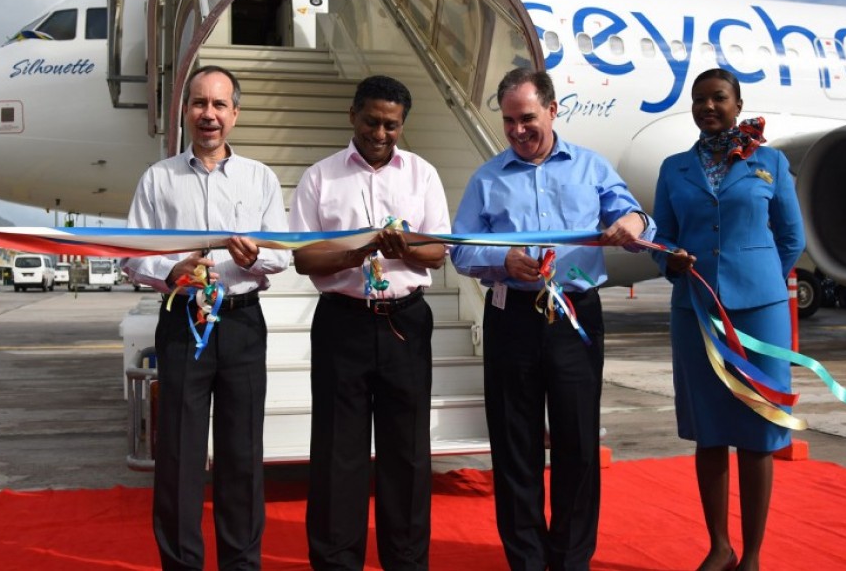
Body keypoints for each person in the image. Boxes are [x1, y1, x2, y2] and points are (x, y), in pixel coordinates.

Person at [451, 68, 653, 571]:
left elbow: (632, 215)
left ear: (553, 110)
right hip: (512, 318)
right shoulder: (488, 178)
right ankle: (526, 560)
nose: (518, 130)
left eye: (527, 118)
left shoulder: (591, 167)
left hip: (574, 316)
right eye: (509, 121)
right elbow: (461, 249)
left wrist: (632, 222)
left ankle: (570, 559)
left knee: (577, 443)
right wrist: (502, 261)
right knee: (514, 444)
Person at [120, 64, 290, 570]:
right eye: (199, 104)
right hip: (181, 322)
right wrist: (171, 269)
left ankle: (241, 563)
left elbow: (281, 253)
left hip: (239, 324)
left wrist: (249, 258)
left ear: (234, 114)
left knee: (241, 456)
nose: (208, 115)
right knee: (177, 457)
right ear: (185, 112)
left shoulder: (260, 178)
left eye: (219, 105)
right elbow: (131, 255)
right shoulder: (159, 178)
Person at [288, 75, 449, 570]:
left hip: (405, 322)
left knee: (408, 453)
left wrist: (405, 249)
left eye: (392, 125)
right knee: (339, 454)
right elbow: (304, 258)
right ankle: (337, 562)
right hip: (343, 323)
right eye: (372, 121)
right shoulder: (320, 177)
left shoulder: (422, 174)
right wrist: (360, 252)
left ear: (403, 124)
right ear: (352, 115)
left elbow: (439, 250)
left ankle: (406, 561)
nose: (381, 133)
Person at [650, 68, 805, 571]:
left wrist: (756, 279)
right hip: (695, 309)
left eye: (718, 98)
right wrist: (669, 261)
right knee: (710, 428)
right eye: (700, 100)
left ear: (738, 104)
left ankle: (754, 554)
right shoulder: (674, 168)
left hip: (760, 314)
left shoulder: (772, 162)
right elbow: (662, 240)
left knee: (758, 430)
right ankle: (719, 546)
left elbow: (791, 237)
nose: (708, 107)